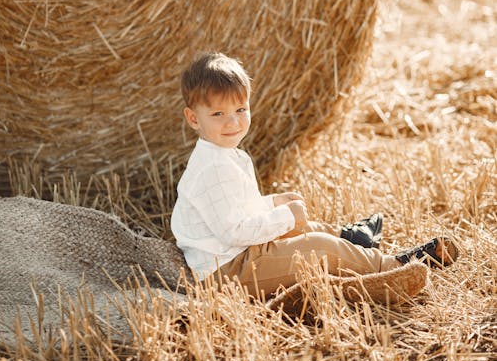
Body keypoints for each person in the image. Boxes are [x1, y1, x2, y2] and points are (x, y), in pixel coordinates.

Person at [171, 52, 458, 297]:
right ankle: (395, 269)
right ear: (193, 118)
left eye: (240, 109)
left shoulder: (224, 155)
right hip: (227, 273)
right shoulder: (213, 167)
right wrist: (285, 217)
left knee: (302, 229)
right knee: (316, 248)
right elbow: (233, 231)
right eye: (218, 114)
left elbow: (238, 209)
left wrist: (273, 203)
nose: (233, 121)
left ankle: (354, 241)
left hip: (237, 256)